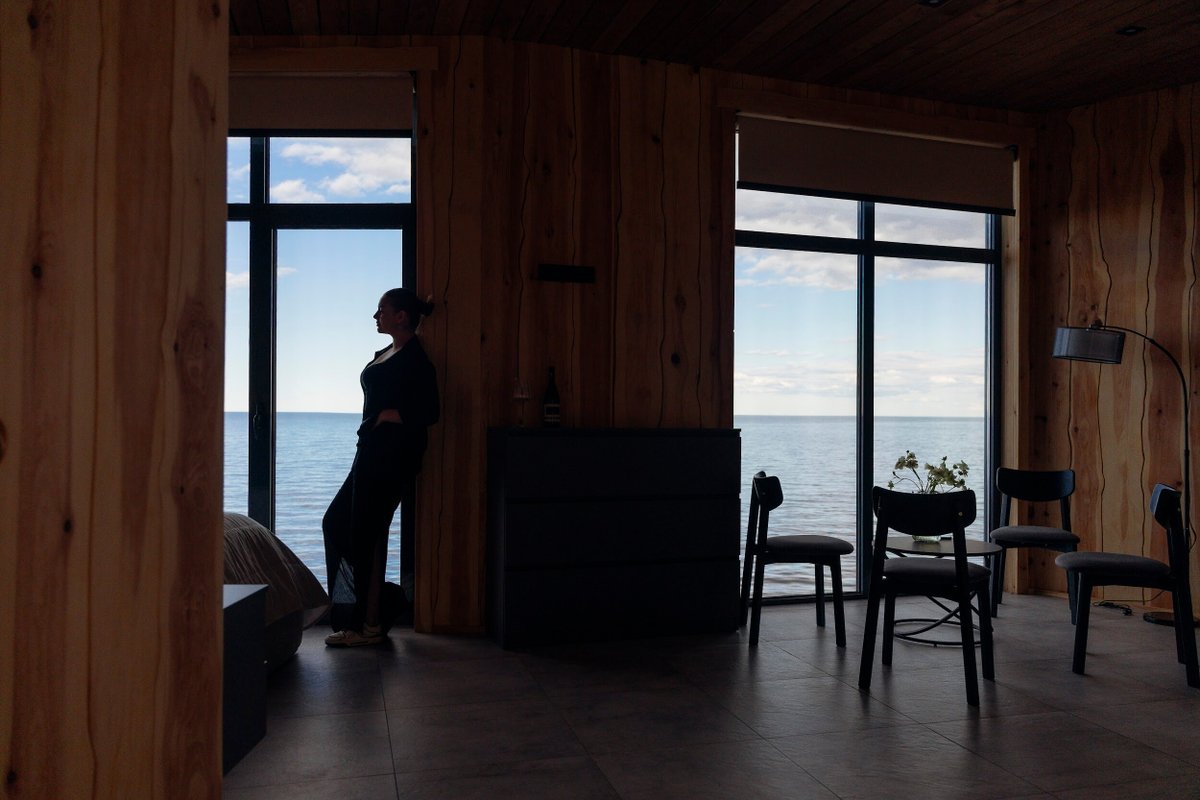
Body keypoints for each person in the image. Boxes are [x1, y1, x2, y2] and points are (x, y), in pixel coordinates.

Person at [322, 288, 439, 647]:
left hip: (392, 457)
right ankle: (373, 609)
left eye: (381, 310)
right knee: (338, 524)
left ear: (401, 316)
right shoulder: (387, 353)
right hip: (369, 452)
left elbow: (430, 411)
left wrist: (390, 415)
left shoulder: (415, 358)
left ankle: (366, 625)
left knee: (365, 535)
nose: (376, 317)